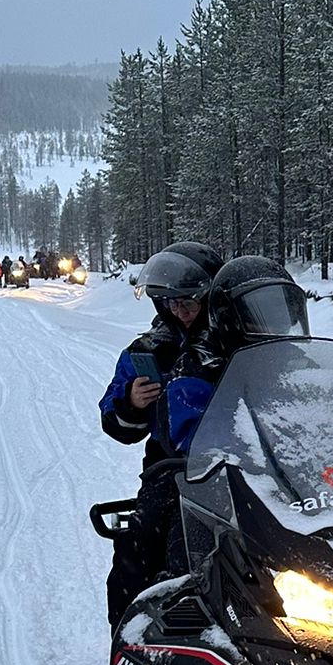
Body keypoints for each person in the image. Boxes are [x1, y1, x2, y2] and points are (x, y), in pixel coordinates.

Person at [98, 244, 226, 627]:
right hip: (171, 469)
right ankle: (132, 637)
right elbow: (114, 420)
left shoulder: (236, 339)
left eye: (189, 302)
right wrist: (131, 402)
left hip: (240, 464)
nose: (180, 311)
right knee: (141, 548)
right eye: (171, 302)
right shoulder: (148, 351)